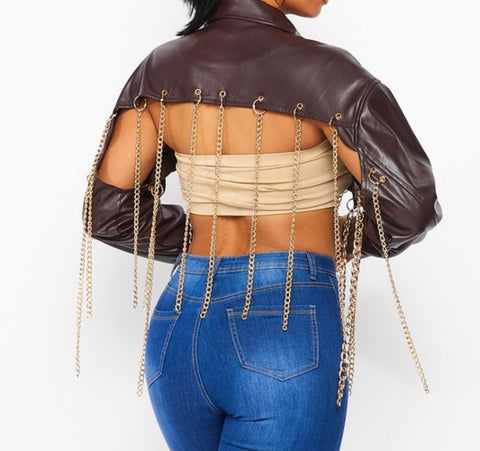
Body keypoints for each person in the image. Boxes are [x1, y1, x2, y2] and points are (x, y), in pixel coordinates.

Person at [75, 0, 442, 449]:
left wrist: (197, 235)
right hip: (282, 322)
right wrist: (341, 238)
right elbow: (411, 205)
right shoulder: (328, 75)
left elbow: (109, 212)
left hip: (179, 326)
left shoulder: (159, 72)